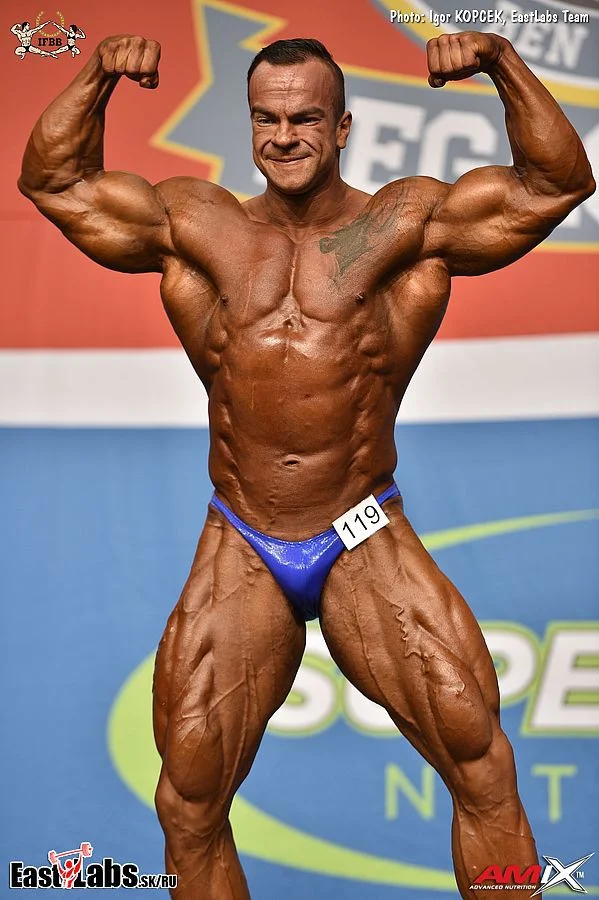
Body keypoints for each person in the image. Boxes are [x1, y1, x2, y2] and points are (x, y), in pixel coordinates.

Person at [19, 30, 594, 900]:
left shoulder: (403, 223)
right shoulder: (196, 225)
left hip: (360, 528)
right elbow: (56, 183)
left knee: (480, 763)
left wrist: (501, 62)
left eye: (305, 119)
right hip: (243, 535)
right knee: (188, 800)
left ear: (343, 127)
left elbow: (554, 184)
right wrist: (96, 73)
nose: (283, 136)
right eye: (267, 118)